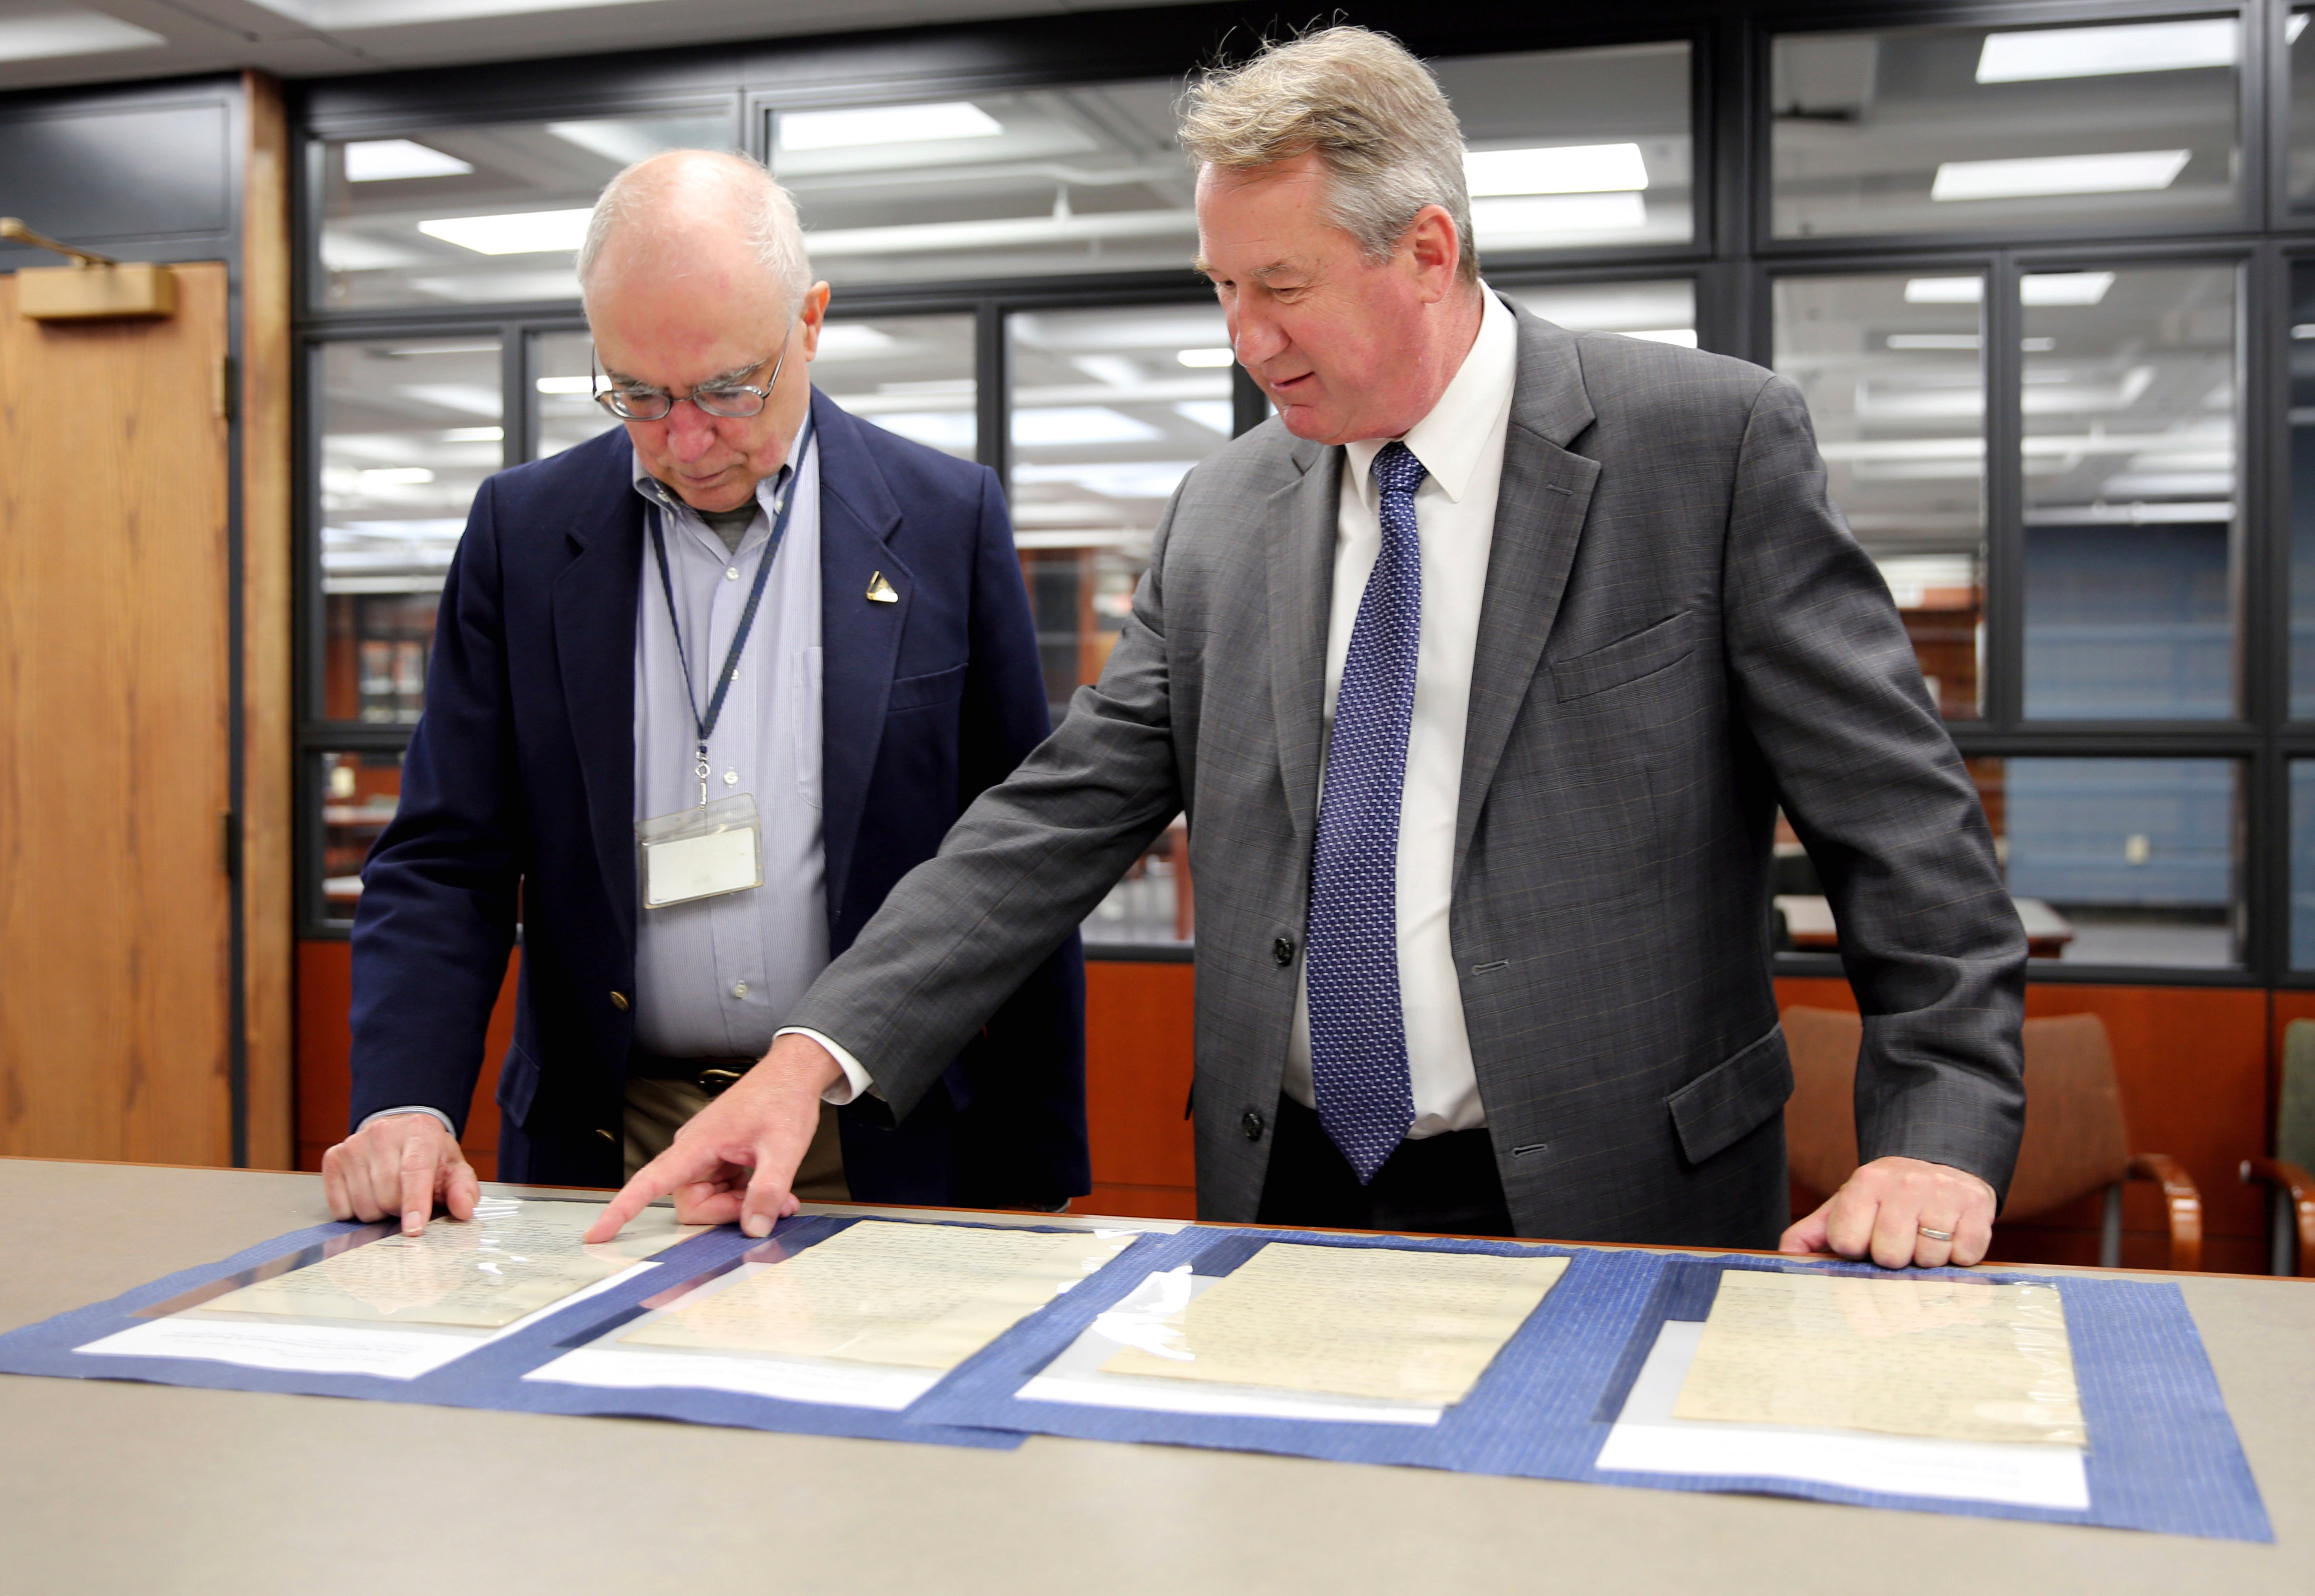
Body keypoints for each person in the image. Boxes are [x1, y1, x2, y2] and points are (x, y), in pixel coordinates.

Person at [590, 29, 2025, 1271]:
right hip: (1288, 1191)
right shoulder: (1226, 511)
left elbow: (1903, 834)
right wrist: (814, 1054)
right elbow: (1048, 819)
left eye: (1280, 286)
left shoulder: (1702, 450)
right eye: (1221, 289)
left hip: (1618, 1190)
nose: (1245, 338)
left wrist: (1941, 1136)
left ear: (1428, 252)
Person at [321, 150, 1085, 1236]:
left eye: (729, 389)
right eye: (638, 393)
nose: (686, 438)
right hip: (607, 1145)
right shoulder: (525, 536)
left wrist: (1042, 1163)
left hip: (876, 1135)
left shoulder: (945, 520)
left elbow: (1023, 861)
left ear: (810, 322)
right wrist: (404, 1101)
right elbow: (447, 856)